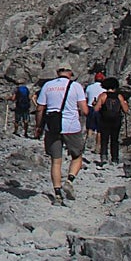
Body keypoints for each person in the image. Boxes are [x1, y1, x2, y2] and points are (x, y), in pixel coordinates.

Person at [34, 66, 89, 205]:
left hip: (52, 127)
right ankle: (69, 180)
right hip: (71, 126)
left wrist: (39, 126)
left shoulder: (48, 85)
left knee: (56, 161)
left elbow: (40, 108)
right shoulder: (76, 86)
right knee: (77, 156)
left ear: (57, 73)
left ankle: (57, 194)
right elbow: (85, 110)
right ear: (70, 73)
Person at [93, 77, 130, 164]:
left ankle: (104, 156)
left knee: (104, 139)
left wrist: (95, 104)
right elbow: (126, 110)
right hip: (116, 120)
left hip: (105, 120)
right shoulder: (119, 96)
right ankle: (115, 158)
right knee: (115, 139)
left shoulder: (103, 95)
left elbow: (96, 109)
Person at [85, 71, 106, 154]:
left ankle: (89, 142)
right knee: (99, 129)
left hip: (90, 107)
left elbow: (86, 98)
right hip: (100, 109)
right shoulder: (104, 89)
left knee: (90, 126)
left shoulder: (89, 87)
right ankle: (97, 147)